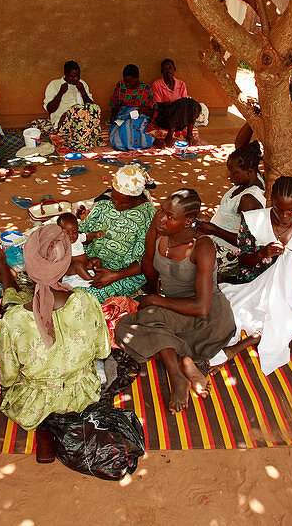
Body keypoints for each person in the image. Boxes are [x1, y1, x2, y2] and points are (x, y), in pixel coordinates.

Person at [114, 189, 235, 411]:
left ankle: (176, 374)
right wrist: (152, 295)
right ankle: (184, 363)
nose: (161, 218)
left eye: (170, 216)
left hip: (207, 318)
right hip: (174, 311)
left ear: (189, 221)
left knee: (148, 319)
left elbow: (201, 307)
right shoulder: (159, 229)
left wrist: (155, 301)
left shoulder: (202, 246)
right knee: (124, 327)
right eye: (162, 210)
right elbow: (149, 265)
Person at [0, 225, 111, 447]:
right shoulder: (87, 301)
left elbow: (6, 377)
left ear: (29, 265)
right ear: (65, 264)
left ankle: (46, 429)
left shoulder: (13, 320)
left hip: (32, 405)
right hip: (83, 395)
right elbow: (103, 350)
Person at [213, 176, 292, 375]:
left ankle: (253, 337)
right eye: (278, 208)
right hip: (251, 282)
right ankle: (256, 336)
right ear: (270, 199)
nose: (284, 215)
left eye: (291, 210)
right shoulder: (254, 220)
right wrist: (261, 253)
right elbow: (243, 262)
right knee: (228, 316)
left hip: (286, 290)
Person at [79, 164, 156, 301]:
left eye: (123, 203)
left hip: (123, 273)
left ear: (137, 198)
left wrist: (114, 275)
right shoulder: (105, 202)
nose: (116, 204)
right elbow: (82, 232)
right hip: (91, 262)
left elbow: (146, 261)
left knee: (83, 297)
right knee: (54, 275)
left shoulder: (148, 217)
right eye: (114, 198)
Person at [195, 141, 265, 277]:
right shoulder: (250, 179)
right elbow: (240, 141)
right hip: (215, 237)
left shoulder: (248, 200)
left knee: (183, 258)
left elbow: (248, 243)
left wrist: (214, 230)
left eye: (234, 174)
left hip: (228, 251)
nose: (230, 177)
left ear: (248, 171)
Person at [38, 60, 102, 152]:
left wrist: (83, 91)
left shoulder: (82, 84)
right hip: (63, 121)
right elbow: (50, 109)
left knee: (95, 108)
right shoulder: (54, 84)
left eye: (78, 76)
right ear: (65, 74)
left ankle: (83, 137)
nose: (76, 79)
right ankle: (81, 141)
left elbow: (91, 107)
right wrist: (60, 93)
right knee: (76, 110)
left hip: (83, 119)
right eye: (73, 76)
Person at [150, 58, 202, 146]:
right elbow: (159, 105)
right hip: (164, 118)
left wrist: (176, 104)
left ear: (174, 70)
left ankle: (189, 134)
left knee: (193, 104)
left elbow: (185, 104)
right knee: (180, 104)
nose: (168, 71)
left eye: (170, 68)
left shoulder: (181, 84)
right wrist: (176, 105)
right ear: (162, 71)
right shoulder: (157, 84)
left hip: (181, 120)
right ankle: (170, 134)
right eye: (165, 69)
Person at [56, 212, 105, 281]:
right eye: (67, 233)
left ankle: (98, 274)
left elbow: (87, 236)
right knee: (78, 265)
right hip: (72, 269)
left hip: (86, 266)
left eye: (74, 232)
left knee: (96, 260)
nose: (71, 235)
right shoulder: (61, 243)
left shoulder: (78, 237)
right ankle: (92, 280)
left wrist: (96, 235)